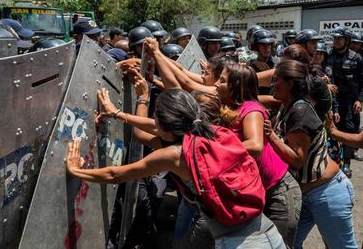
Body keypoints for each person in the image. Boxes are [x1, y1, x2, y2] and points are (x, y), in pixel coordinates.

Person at [67, 88, 285, 249]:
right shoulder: (214, 131)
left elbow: (115, 174)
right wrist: (117, 113)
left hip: (239, 243)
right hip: (267, 231)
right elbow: (155, 127)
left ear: (166, 126)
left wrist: (76, 170)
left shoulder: (174, 156)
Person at [263, 60, 357, 249]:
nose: (272, 85)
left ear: (290, 84)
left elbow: (297, 160)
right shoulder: (286, 105)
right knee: (288, 244)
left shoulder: (300, 111)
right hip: (304, 194)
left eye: (276, 81)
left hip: (326, 193)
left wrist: (271, 136)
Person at [215, 61, 301, 248]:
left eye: (221, 81)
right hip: (258, 193)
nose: (215, 84)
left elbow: (255, 145)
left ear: (236, 86)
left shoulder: (251, 110)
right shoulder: (229, 109)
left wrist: (215, 151)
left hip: (279, 193)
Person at [327, 26, 363, 177]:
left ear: (346, 40)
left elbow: (362, 82)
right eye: (334, 38)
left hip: (350, 102)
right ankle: (333, 160)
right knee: (332, 130)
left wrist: (359, 100)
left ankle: (346, 162)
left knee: (349, 130)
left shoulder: (357, 58)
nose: (336, 41)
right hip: (333, 100)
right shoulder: (329, 56)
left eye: (339, 39)